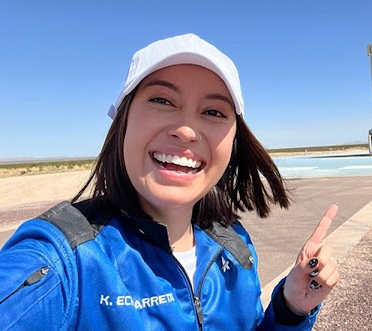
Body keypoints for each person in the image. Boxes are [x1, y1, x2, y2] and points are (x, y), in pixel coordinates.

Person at [0, 33, 339, 330]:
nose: (187, 130)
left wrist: (292, 309)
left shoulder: (235, 245)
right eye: (162, 101)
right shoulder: (65, 260)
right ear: (122, 120)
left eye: (214, 112)